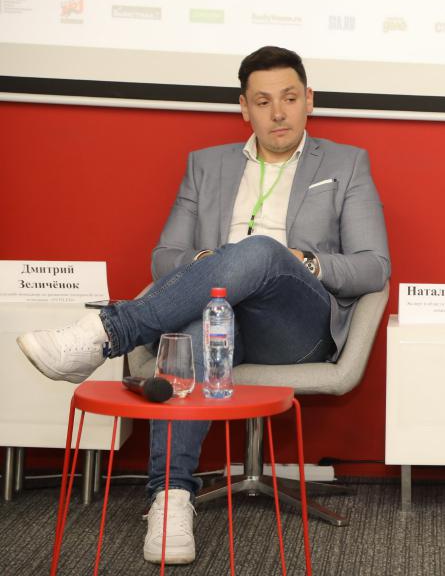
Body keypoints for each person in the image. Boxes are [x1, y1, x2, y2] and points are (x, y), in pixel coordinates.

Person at [17, 46, 390, 565]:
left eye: (289, 98)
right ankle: (171, 498)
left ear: (309, 100)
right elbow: (165, 256)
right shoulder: (206, 165)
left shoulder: (346, 164)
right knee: (198, 324)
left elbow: (374, 266)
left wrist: (302, 261)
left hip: (296, 326)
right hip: (220, 316)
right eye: (263, 101)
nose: (278, 113)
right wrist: (210, 265)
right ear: (244, 108)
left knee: (261, 250)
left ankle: (106, 332)